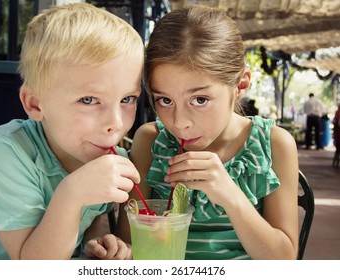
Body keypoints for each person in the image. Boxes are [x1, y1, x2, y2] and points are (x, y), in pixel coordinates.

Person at [0, 3, 144, 260]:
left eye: (127, 99)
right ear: (35, 104)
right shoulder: (6, 151)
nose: (115, 122)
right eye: (89, 100)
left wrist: (98, 240)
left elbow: (93, 213)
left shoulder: (104, 156)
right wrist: (72, 194)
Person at [117, 5, 299, 260]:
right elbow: (127, 246)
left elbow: (284, 261)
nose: (180, 123)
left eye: (200, 100)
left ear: (241, 84)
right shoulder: (150, 141)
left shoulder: (273, 144)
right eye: (165, 100)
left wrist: (230, 195)